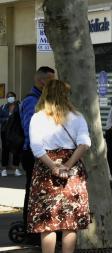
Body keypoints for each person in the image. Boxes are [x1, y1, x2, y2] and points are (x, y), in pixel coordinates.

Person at [27, 80, 91, 253]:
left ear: (45, 94)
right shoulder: (77, 117)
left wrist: (53, 166)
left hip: (45, 171)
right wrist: (67, 165)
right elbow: (84, 143)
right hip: (72, 171)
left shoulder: (37, 118)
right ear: (66, 96)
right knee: (69, 222)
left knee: (47, 223)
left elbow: (36, 148)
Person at [20, 66, 55, 233]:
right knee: (32, 190)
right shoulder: (31, 101)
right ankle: (30, 226)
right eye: (51, 80)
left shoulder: (44, 99)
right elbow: (29, 130)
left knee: (41, 190)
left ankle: (38, 223)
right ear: (42, 81)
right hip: (32, 152)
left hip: (42, 152)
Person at [1, 92, 23, 176]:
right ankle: (4, 169)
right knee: (5, 149)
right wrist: (7, 119)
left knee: (16, 149)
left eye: (11, 96)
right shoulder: (3, 107)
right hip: (5, 131)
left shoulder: (19, 106)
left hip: (16, 131)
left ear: (15, 97)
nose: (10, 98)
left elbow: (22, 116)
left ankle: (16, 169)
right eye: (8, 97)